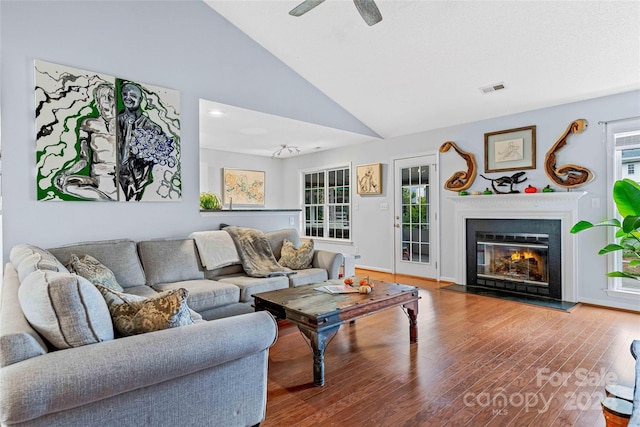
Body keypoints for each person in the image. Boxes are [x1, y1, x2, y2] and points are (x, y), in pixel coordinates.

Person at [55, 83, 117, 200]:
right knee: (66, 185)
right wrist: (66, 173)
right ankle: (103, 197)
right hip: (97, 177)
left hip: (118, 178)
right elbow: (84, 160)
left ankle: (104, 198)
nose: (107, 100)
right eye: (103, 96)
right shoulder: (88, 124)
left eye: (111, 96)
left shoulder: (124, 125)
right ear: (97, 100)